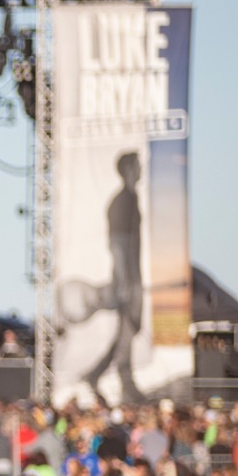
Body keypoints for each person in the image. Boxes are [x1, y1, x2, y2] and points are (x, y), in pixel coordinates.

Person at [83, 152, 145, 404]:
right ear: (129, 169)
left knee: (128, 327)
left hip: (133, 274)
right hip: (127, 276)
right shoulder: (122, 201)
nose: (141, 169)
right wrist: (125, 282)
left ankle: (96, 373)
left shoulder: (131, 197)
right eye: (138, 166)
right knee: (128, 327)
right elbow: (117, 245)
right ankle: (124, 378)